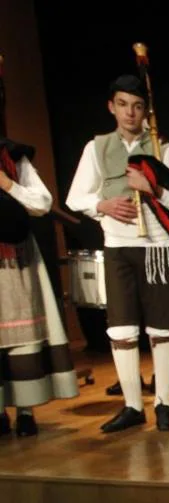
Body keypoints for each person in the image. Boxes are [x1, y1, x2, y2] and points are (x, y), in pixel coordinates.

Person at [65, 74, 169, 433]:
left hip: (156, 248)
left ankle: (164, 403)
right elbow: (74, 197)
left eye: (137, 106)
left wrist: (154, 189)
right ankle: (131, 405)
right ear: (111, 107)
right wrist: (101, 204)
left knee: (163, 329)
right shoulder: (97, 148)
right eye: (123, 104)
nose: (130, 112)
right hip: (118, 247)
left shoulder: (162, 149)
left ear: (146, 111)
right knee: (121, 330)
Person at [0, 133, 78, 436]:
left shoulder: (13, 155)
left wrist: (8, 185)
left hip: (16, 258)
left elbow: (43, 202)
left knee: (23, 332)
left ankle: (25, 410)